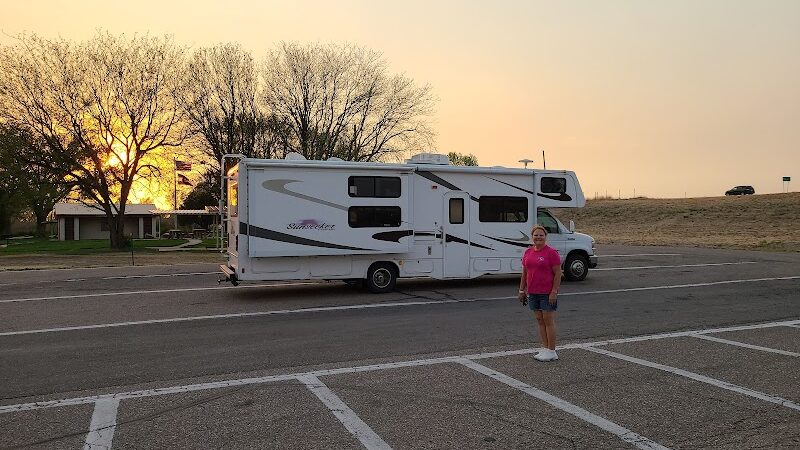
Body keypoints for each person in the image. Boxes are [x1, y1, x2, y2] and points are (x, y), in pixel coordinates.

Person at [518, 225, 562, 361]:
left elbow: (558, 273)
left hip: (547, 292)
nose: (538, 237)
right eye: (536, 235)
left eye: (541, 235)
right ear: (532, 237)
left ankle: (552, 350)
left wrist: (554, 291)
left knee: (548, 320)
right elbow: (525, 273)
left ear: (545, 236)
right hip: (533, 292)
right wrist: (521, 290)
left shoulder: (551, 253)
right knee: (540, 320)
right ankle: (545, 348)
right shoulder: (528, 252)